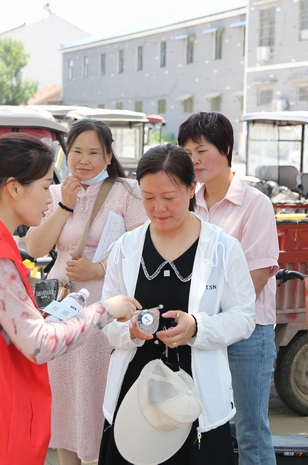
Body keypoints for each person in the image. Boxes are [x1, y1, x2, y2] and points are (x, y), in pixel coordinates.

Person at [0, 133, 141, 465]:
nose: (46, 197)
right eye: (42, 187)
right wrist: (107, 309)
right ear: (13, 188)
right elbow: (39, 345)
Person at [98, 144, 256, 465]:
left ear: (191, 189)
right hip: (135, 393)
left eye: (169, 198)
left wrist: (197, 327)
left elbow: (244, 317)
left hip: (197, 395)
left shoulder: (223, 248)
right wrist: (128, 330)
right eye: (148, 197)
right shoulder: (126, 248)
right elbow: (106, 319)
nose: (158, 208)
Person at [25, 118, 148, 465]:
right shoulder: (54, 191)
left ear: (108, 156)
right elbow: (35, 246)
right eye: (76, 150)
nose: (84, 159)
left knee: (96, 389)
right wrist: (64, 204)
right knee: (63, 393)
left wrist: (99, 269)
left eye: (94, 151)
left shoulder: (128, 193)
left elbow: (140, 249)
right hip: (61, 305)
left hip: (104, 301)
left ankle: (103, 457)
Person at [179, 111, 280, 465]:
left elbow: (257, 276)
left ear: (226, 149)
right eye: (186, 151)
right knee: (203, 425)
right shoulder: (189, 202)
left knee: (251, 430)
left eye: (201, 150)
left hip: (246, 334)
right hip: (200, 330)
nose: (193, 159)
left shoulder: (255, 204)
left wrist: (207, 319)